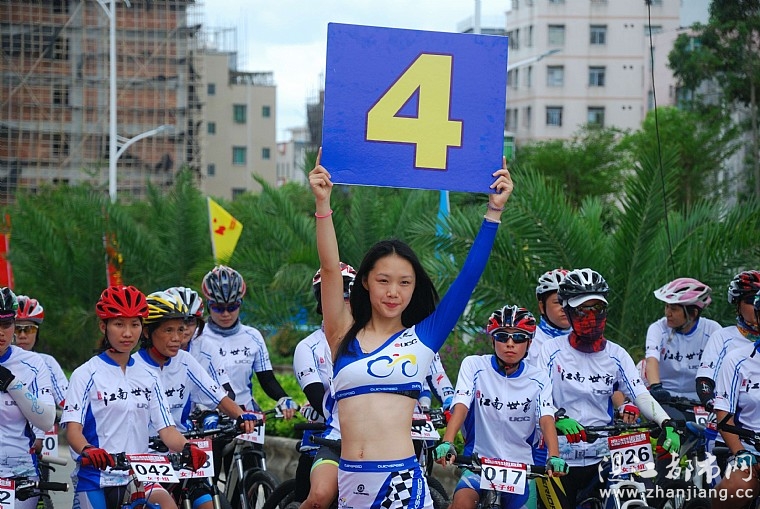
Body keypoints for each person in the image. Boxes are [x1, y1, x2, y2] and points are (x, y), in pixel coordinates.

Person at [309, 148, 513, 509]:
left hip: (400, 486)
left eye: (404, 282)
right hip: (350, 484)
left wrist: (493, 212)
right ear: (365, 282)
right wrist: (322, 203)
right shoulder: (341, 333)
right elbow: (329, 269)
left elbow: (467, 279)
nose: (393, 292)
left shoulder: (424, 338)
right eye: (383, 280)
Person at [536, 268, 680, 507]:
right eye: (583, 310)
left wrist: (666, 422)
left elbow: (640, 394)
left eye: (598, 308)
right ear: (569, 312)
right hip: (560, 458)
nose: (591, 316)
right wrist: (557, 418)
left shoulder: (617, 354)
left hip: (604, 455)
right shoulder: (550, 351)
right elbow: (538, 398)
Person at [62, 285, 207, 509]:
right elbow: (73, 431)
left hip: (140, 476)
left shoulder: (149, 375)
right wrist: (88, 449)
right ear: (103, 326)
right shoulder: (85, 374)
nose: (128, 333)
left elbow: (167, 430)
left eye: (135, 324)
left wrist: (189, 448)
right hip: (96, 479)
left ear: (143, 328)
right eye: (119, 324)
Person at [132, 291, 257, 509]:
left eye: (180, 330)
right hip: (145, 457)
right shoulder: (133, 367)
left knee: (209, 504)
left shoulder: (185, 360)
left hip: (182, 452)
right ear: (147, 331)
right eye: (168, 330)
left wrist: (242, 415)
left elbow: (218, 396)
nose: (177, 338)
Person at [434, 305, 566, 509]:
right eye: (503, 337)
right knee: (461, 504)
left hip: (521, 468)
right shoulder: (474, 366)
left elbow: (546, 418)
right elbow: (461, 405)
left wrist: (554, 456)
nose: (510, 344)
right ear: (493, 340)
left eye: (519, 338)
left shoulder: (538, 378)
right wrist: (448, 441)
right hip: (478, 463)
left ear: (529, 343)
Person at [193, 265, 297, 418]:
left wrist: (283, 397)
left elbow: (267, 379)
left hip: (246, 415)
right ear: (208, 305)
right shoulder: (195, 337)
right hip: (206, 417)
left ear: (240, 303)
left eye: (232, 307)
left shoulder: (253, 336)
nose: (226, 314)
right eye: (218, 308)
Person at [293, 263, 356, 509]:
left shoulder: (374, 340)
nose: (341, 302)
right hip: (324, 437)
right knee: (318, 498)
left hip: (368, 441)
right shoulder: (307, 347)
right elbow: (317, 397)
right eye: (331, 295)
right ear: (321, 303)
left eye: (347, 295)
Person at [0, 287, 56, 509]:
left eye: (6, 324)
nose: (1, 332)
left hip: (19, 472)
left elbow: (47, 420)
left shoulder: (33, 363)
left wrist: (11, 383)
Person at [710, 289, 760, 509]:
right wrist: (740, 452)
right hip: (749, 450)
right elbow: (724, 415)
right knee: (736, 488)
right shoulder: (736, 360)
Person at [645, 278, 721, 403]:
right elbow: (651, 360)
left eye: (674, 309)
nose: (667, 313)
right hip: (665, 395)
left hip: (700, 399)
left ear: (693, 313)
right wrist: (656, 387)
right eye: (667, 307)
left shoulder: (712, 330)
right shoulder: (658, 328)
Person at [696, 270, 760, 411]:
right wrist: (711, 403)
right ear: (737, 305)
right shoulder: (722, 337)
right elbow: (704, 381)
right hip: (728, 415)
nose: (757, 306)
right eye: (751, 301)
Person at [528, 268, 570, 366]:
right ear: (542, 307)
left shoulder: (587, 341)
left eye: (571, 301)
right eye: (558, 302)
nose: (564, 307)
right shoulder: (528, 342)